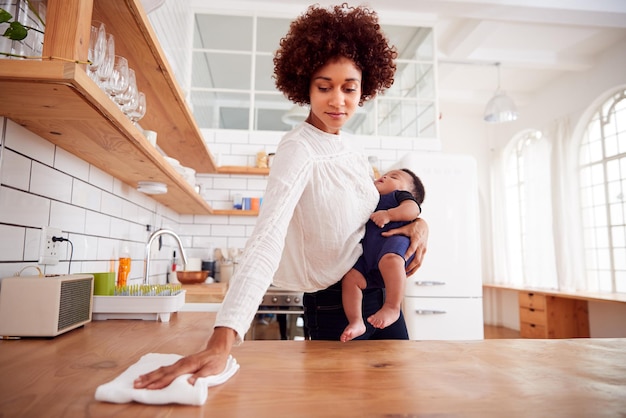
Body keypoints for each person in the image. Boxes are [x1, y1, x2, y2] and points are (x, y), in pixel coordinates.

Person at [134, 3, 429, 390]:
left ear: (365, 87)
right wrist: (221, 339)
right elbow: (267, 237)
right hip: (334, 307)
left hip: (379, 296)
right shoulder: (298, 149)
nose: (338, 101)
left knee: (396, 401)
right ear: (305, 85)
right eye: (324, 87)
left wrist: (419, 222)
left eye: (349, 88)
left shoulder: (356, 152)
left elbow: (374, 214)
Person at [340, 168, 425, 342]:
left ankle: (392, 307)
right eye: (384, 175)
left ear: (409, 192)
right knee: (351, 278)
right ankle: (356, 322)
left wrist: (389, 214)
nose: (385, 176)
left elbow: (413, 209)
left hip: (393, 243)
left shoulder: (398, 197)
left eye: (394, 177)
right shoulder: (370, 199)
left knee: (391, 260)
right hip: (370, 256)